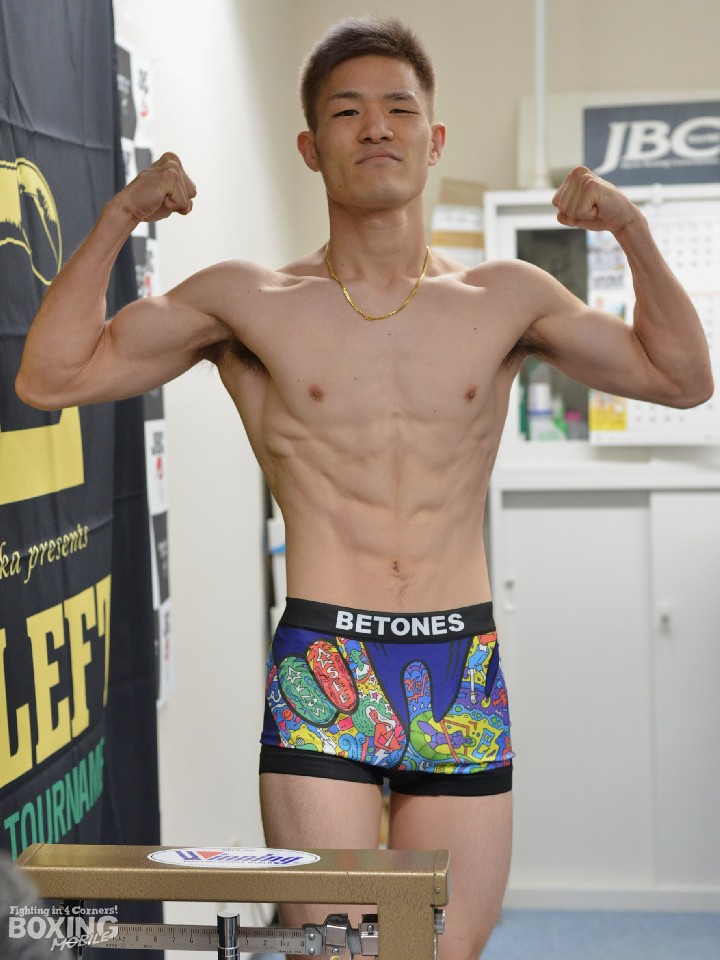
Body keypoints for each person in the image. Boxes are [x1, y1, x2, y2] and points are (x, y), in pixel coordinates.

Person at [15, 15, 713, 960]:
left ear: (435, 139)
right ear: (311, 147)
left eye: (399, 108)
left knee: (449, 949)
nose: (376, 126)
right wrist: (117, 219)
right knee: (337, 949)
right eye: (347, 111)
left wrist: (630, 229)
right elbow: (50, 377)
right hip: (324, 662)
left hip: (461, 665)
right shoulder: (247, 301)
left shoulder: (507, 298)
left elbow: (682, 376)